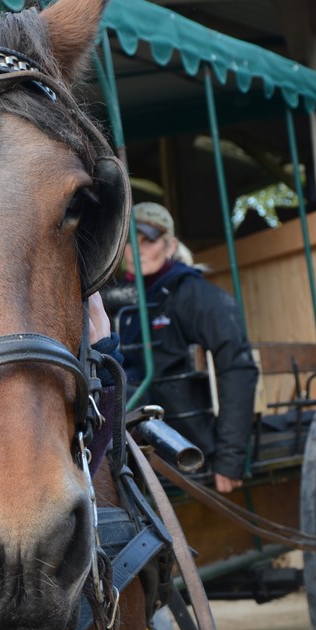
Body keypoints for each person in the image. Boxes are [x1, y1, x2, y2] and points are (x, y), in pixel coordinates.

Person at [102, 201, 258, 494]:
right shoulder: (111, 299)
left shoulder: (194, 294)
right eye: (130, 241)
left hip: (184, 443)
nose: (138, 249)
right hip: (121, 436)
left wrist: (230, 458)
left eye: (148, 240)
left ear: (170, 244)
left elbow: (237, 367)